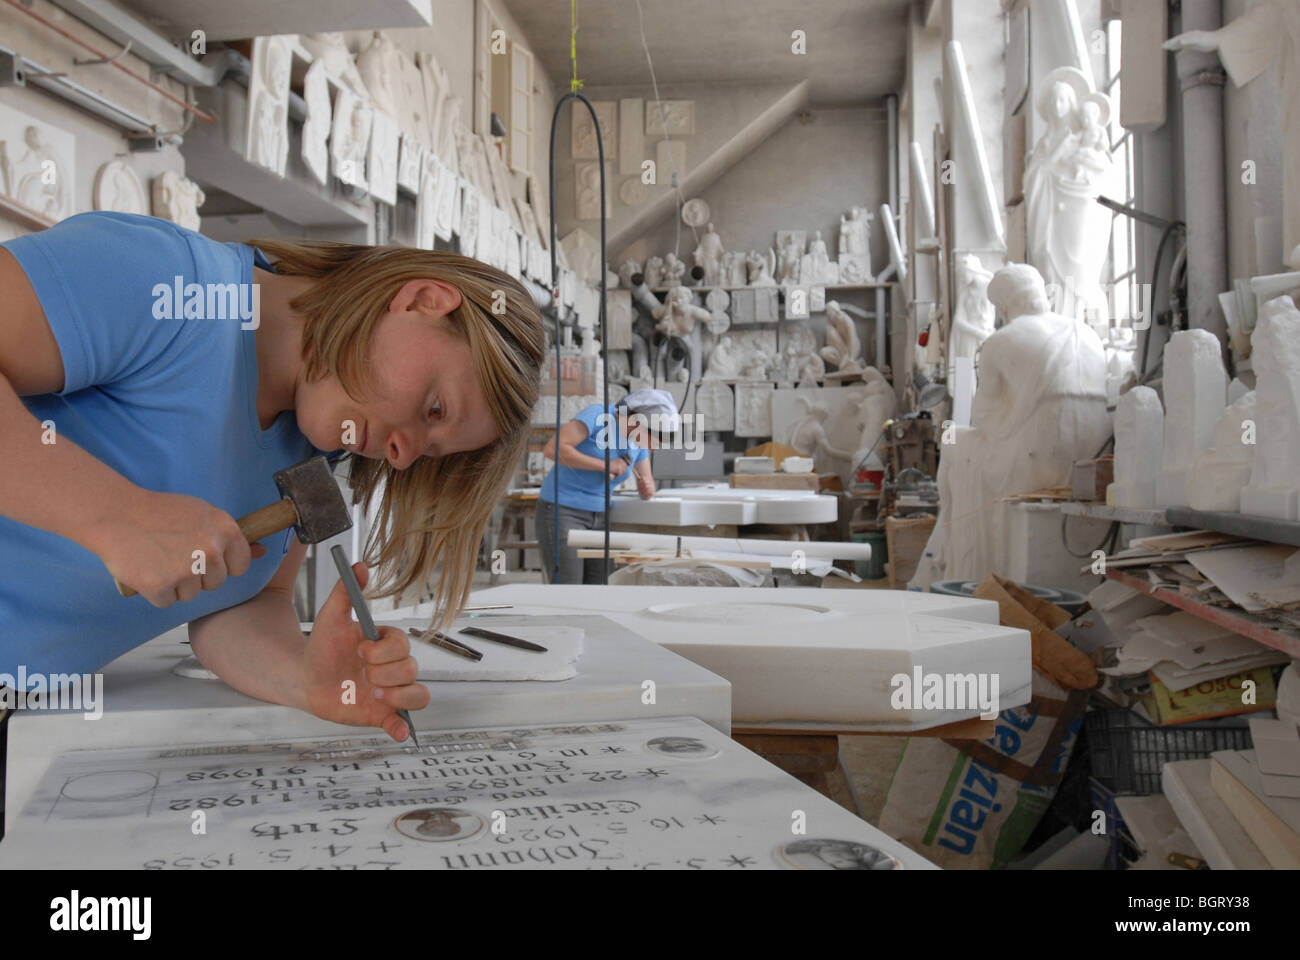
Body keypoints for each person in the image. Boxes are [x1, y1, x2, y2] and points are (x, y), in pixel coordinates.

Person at [0, 211, 544, 746]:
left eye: (429, 453)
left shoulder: (308, 450)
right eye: (433, 408)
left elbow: (239, 609)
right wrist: (113, 516)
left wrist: (304, 678)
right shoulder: (171, 283)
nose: (402, 457)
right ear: (421, 301)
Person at [536, 388, 676, 584]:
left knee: (601, 584)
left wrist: (647, 488)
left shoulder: (638, 443)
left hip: (602, 516)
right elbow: (553, 448)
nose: (651, 448)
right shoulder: (598, 416)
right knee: (569, 585)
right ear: (638, 422)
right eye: (652, 441)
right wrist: (605, 465)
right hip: (563, 510)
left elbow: (648, 482)